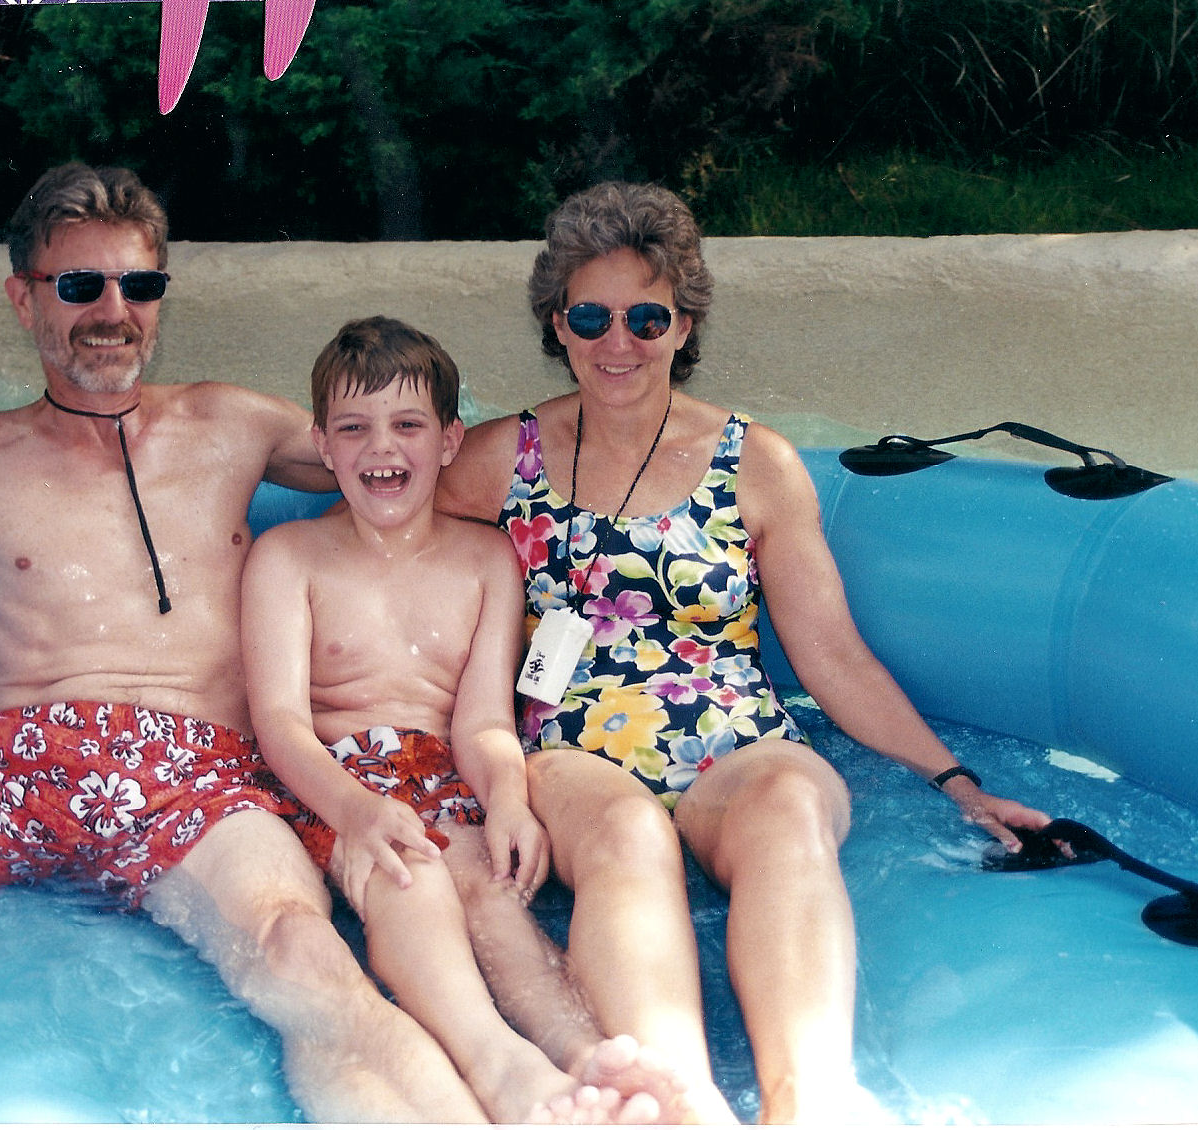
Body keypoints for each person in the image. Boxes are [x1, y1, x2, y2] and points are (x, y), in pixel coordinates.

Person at [0, 163, 492, 1124]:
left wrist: (616, 429)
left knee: (300, 951)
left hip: (199, 784)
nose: (113, 310)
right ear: (24, 299)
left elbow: (417, 458)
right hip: (5, 778)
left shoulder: (231, 423)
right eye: (81, 285)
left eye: (139, 285)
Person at [439, 181, 1054, 1125]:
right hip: (569, 750)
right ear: (557, 324)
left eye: (647, 316)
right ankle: (677, 1101)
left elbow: (833, 658)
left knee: (791, 800)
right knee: (627, 836)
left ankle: (807, 1099)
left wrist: (957, 782)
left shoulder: (754, 461)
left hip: (734, 744)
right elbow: (377, 537)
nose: (619, 342)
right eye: (592, 316)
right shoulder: (497, 459)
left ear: (685, 325)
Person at [245, 315, 688, 1125]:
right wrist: (356, 808)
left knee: (491, 889)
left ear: (449, 441)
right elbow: (278, 722)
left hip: (442, 775)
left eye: (408, 425)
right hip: (332, 778)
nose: (384, 448)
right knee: (409, 879)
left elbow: (483, 719)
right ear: (322, 443)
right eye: (355, 428)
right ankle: (500, 1065)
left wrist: (510, 797)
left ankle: (584, 1055)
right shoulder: (290, 560)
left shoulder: (486, 559)